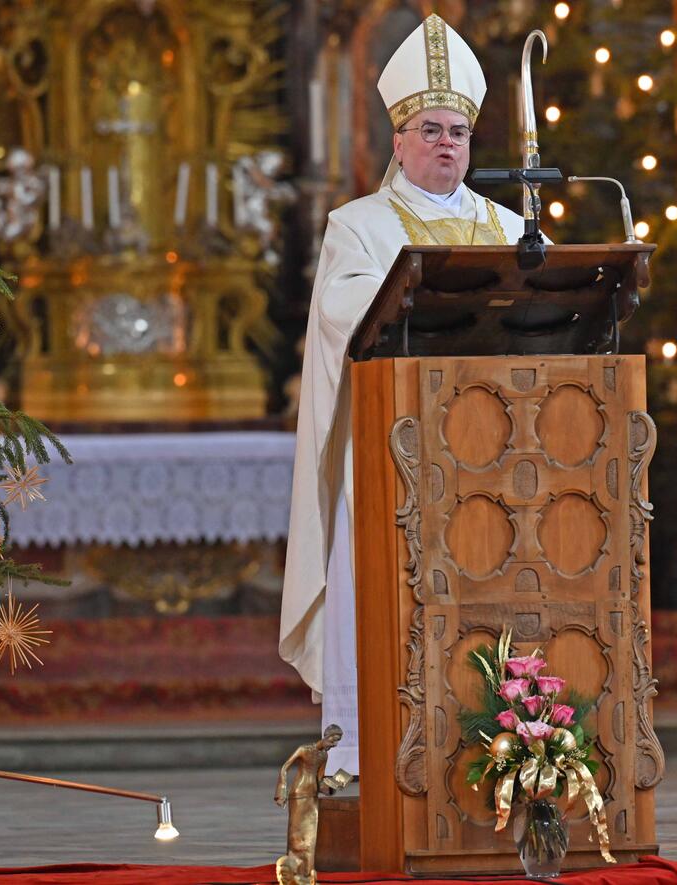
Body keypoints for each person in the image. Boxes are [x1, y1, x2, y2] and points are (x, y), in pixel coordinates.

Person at [280, 14, 531, 775]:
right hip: (398, 453)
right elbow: (338, 318)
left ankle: (503, 745)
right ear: (398, 138)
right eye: (431, 129)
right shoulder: (357, 227)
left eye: (458, 130)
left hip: (500, 454)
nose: (447, 142)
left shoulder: (511, 228)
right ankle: (369, 758)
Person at [275, 724, 352, 885]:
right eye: (333, 739)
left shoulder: (324, 756)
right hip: (299, 793)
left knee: (309, 835)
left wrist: (334, 785)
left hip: (312, 794)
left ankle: (306, 873)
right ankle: (292, 870)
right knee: (296, 834)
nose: (334, 744)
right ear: (326, 735)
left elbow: (319, 780)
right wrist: (281, 791)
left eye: (337, 742)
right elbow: (285, 767)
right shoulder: (304, 749)